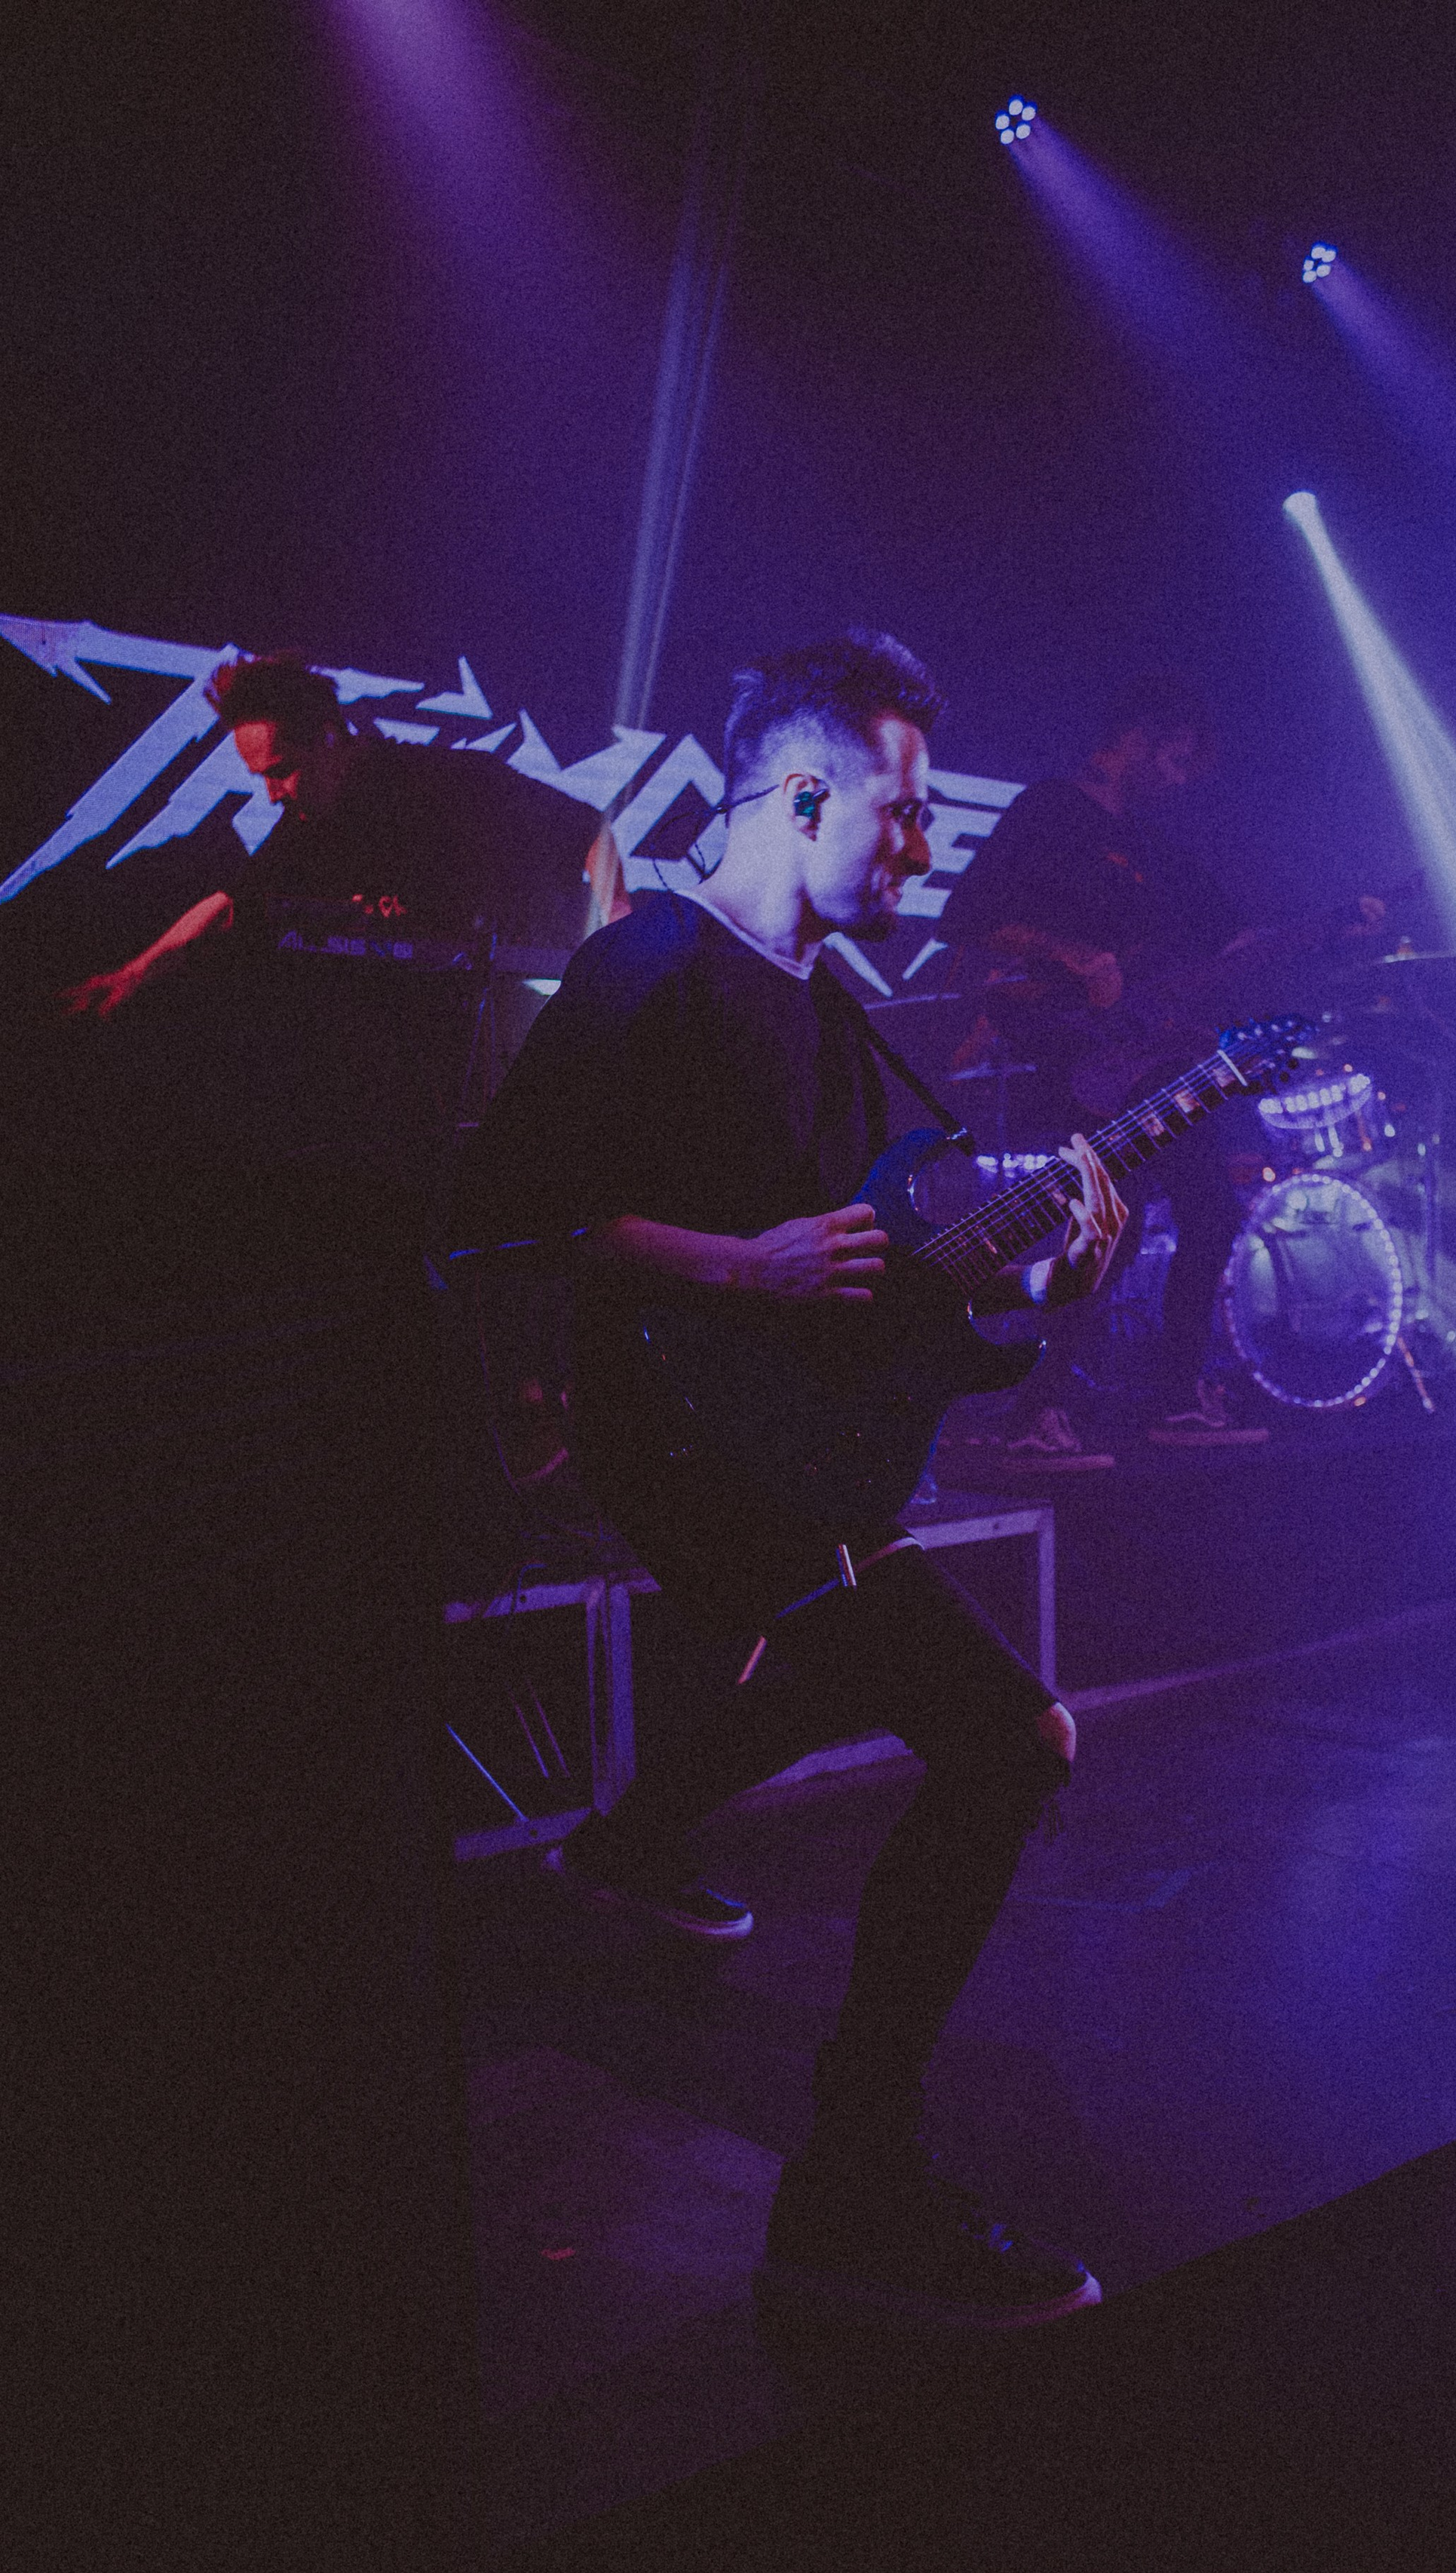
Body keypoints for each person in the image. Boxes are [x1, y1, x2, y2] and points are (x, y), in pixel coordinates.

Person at [453, 631, 1128, 2326]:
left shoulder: (841, 1024)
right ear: (806, 791)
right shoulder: (650, 968)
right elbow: (496, 1217)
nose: (924, 849)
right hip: (677, 1434)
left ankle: (623, 1846)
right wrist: (730, 1268)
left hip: (788, 1450)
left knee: (831, 1665)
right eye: (903, 816)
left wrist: (1036, 1284)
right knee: (1004, 1740)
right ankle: (846, 2191)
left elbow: (887, 1291)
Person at [937, 678, 1271, 1458]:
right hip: (1074, 1051)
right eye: (1176, 759)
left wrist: (1331, 929)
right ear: (1139, 738)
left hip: (1141, 1058)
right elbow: (966, 916)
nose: (1179, 778)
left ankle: (1172, 1398)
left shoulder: (1151, 848)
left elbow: (1227, 944)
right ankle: (1029, 1412)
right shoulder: (1052, 809)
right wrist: (1074, 955)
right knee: (1111, 1228)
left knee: (1205, 1214)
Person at [57, 652, 605, 1021]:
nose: (273, 794)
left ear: (326, 739)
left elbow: (589, 828)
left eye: (281, 771)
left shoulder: (445, 780)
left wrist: (621, 934)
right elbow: (227, 906)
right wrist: (132, 975)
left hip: (520, 1007)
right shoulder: (306, 824)